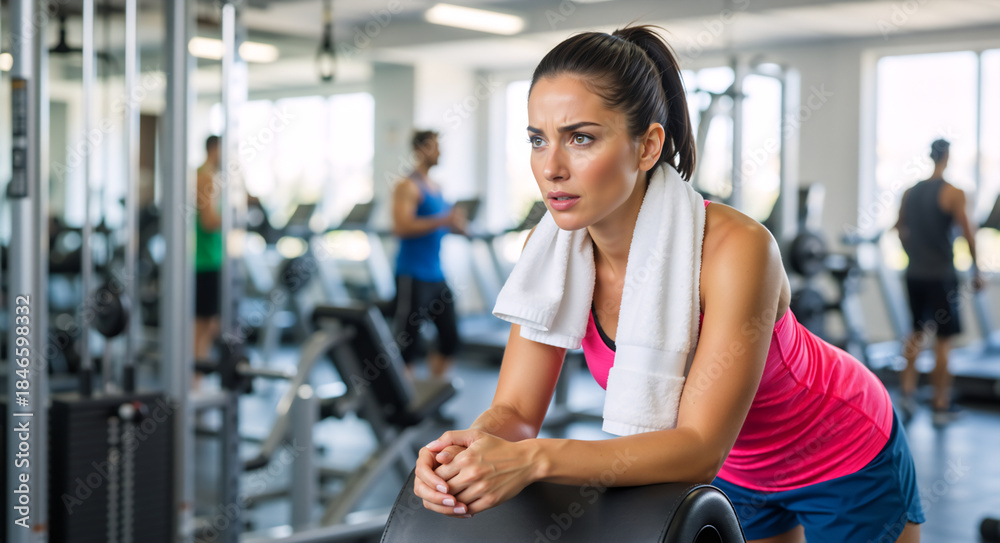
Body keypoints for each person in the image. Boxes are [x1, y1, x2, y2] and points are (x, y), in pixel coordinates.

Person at [413, 26, 923, 543]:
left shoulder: (736, 248)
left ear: (648, 146)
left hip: (839, 449)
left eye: (581, 138)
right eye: (537, 140)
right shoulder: (549, 256)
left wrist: (534, 459)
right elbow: (517, 412)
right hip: (735, 470)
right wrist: (465, 451)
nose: (551, 168)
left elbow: (700, 447)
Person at [896, 138, 985, 425]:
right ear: (946, 157)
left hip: (914, 273)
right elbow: (968, 235)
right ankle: (940, 404)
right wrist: (977, 270)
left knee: (915, 333)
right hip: (941, 276)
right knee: (944, 340)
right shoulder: (953, 192)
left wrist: (913, 255)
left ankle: (907, 394)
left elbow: (899, 229)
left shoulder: (910, 192)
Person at [391, 130, 466, 378]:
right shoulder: (407, 186)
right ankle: (404, 397)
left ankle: (434, 392)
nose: (440, 152)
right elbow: (401, 227)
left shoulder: (437, 187)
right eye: (435, 146)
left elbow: (440, 224)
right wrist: (443, 220)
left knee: (450, 338)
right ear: (420, 150)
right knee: (408, 342)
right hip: (412, 274)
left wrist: (457, 226)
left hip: (436, 274)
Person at [194, 135, 223, 369]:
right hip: (205, 260)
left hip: (210, 258)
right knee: (202, 325)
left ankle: (196, 379)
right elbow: (208, 221)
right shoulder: (205, 177)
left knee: (211, 324)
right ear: (214, 149)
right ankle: (193, 380)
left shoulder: (207, 175)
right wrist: (234, 216)